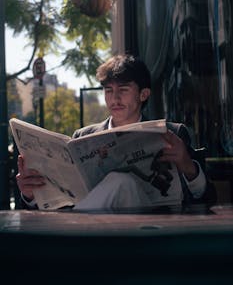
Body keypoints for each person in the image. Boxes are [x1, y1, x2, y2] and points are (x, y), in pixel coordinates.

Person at [16, 54, 215, 210]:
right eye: (109, 90)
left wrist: (188, 166)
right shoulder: (82, 138)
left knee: (121, 181)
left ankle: (74, 238)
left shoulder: (172, 133)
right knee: (119, 182)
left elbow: (208, 200)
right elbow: (65, 202)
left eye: (124, 89)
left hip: (154, 230)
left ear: (143, 94)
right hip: (103, 236)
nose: (115, 98)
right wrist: (30, 195)